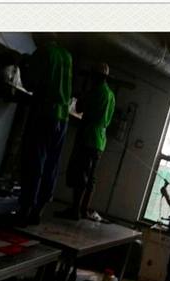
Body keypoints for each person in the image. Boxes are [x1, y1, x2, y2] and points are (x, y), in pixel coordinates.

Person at [17, 33, 73, 225]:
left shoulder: (43, 52)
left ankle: (25, 211)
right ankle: (38, 211)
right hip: (62, 118)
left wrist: (22, 64)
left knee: (34, 162)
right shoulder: (66, 55)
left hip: (44, 114)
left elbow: (30, 84)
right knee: (51, 165)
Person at [56, 62, 115, 221]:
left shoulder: (95, 91)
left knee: (81, 175)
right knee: (91, 178)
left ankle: (75, 210)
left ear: (95, 76)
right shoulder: (110, 94)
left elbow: (79, 108)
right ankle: (84, 210)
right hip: (100, 140)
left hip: (88, 137)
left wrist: (83, 93)